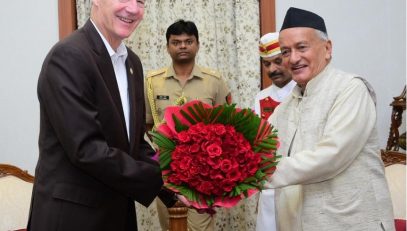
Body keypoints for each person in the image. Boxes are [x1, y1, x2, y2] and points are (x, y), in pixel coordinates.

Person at [27, 1, 177, 230]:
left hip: (117, 214)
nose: (134, 9)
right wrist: (158, 180)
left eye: (140, 1)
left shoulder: (132, 63)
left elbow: (135, 144)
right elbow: (87, 149)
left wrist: (176, 179)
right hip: (74, 218)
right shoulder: (69, 56)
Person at [264, 7, 395, 231]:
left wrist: (260, 174)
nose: (293, 58)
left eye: (301, 47)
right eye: (285, 52)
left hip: (350, 223)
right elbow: (256, 150)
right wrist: (214, 182)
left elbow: (330, 156)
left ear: (327, 48)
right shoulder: (284, 108)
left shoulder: (350, 89)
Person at [145, 19, 231, 231]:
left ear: (198, 44)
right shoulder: (152, 82)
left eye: (188, 41)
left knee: (200, 227)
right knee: (171, 226)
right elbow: (146, 124)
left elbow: (227, 124)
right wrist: (162, 151)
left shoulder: (214, 81)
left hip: (204, 173)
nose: (182, 46)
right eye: (176, 42)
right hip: (167, 173)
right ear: (167, 47)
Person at [254, 32, 295, 231]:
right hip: (270, 184)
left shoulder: (307, 91)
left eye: (278, 61)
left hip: (300, 181)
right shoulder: (260, 98)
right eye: (267, 64)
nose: (273, 69)